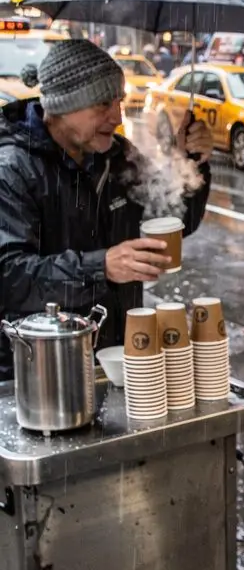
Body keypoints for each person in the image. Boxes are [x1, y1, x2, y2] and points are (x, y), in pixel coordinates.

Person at [0, 39, 212, 379]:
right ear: (61, 106)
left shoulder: (117, 156)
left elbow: (172, 221)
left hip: (116, 360)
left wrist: (192, 162)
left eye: (119, 101)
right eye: (102, 104)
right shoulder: (12, 169)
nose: (117, 116)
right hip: (40, 373)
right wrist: (101, 267)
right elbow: (9, 276)